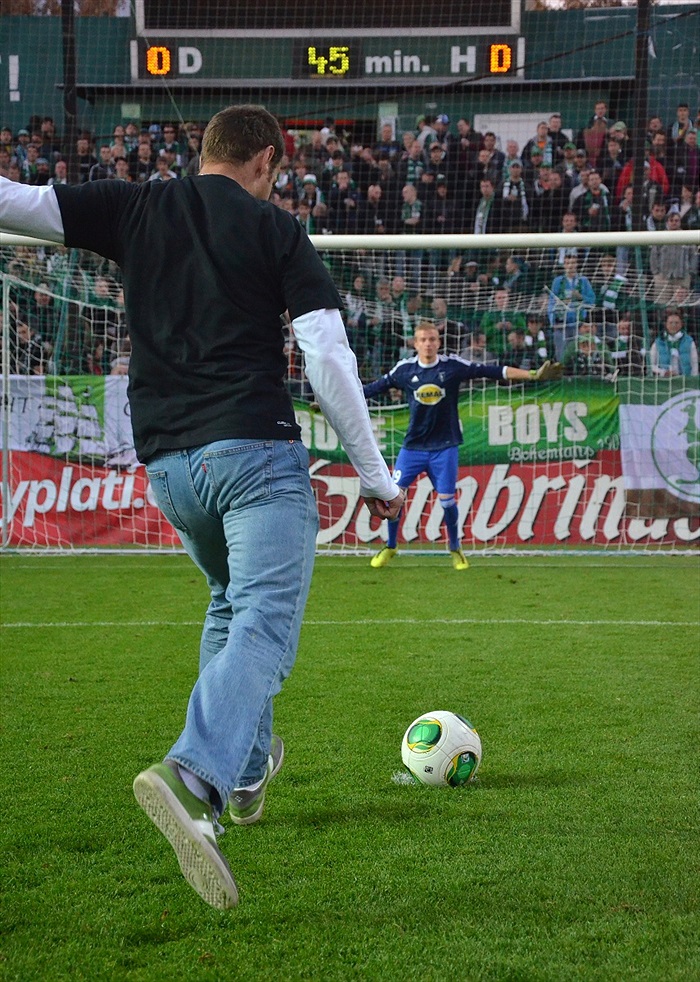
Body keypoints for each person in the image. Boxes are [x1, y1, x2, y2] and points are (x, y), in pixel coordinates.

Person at [0, 104, 403, 911]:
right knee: (264, 626)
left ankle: (247, 774)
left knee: (228, 604)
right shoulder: (275, 229)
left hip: (170, 469)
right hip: (254, 455)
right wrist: (377, 477)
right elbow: (327, 358)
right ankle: (193, 777)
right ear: (266, 160)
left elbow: (16, 203)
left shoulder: (135, 205)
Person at [362, 322, 561, 570]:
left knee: (447, 502)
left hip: (445, 447)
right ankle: (391, 546)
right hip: (413, 447)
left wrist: (532, 375)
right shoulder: (405, 370)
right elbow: (371, 389)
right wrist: (331, 403)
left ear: (438, 342)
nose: (428, 344)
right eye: (423, 339)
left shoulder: (451, 367)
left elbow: (492, 371)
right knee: (393, 498)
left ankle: (455, 549)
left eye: (432, 339)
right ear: (415, 343)